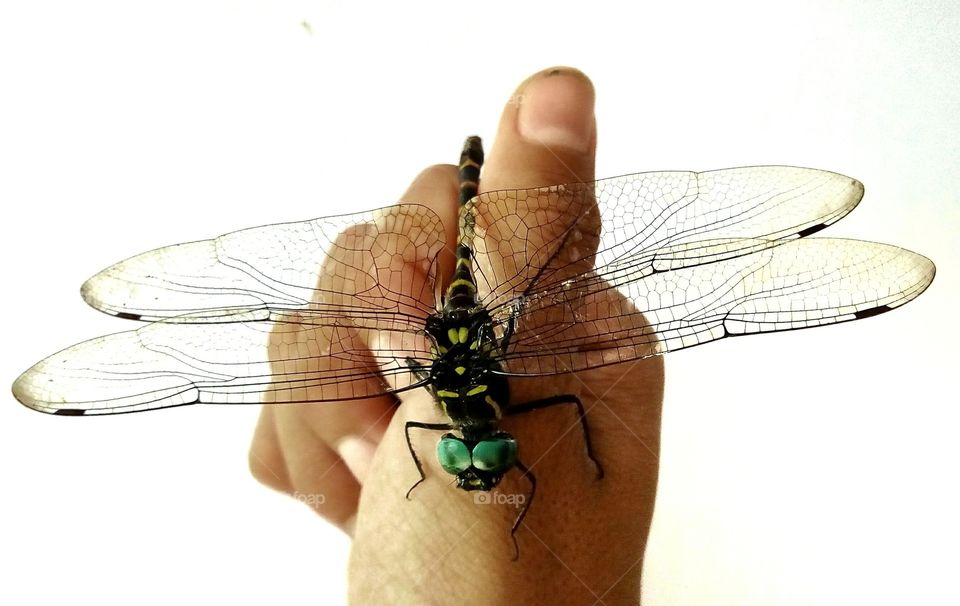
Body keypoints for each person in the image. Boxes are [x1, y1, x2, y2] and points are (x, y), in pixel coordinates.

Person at [248, 67, 664, 604]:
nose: (469, 468)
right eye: (482, 456)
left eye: (455, 459)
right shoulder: (449, 393)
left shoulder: (441, 395)